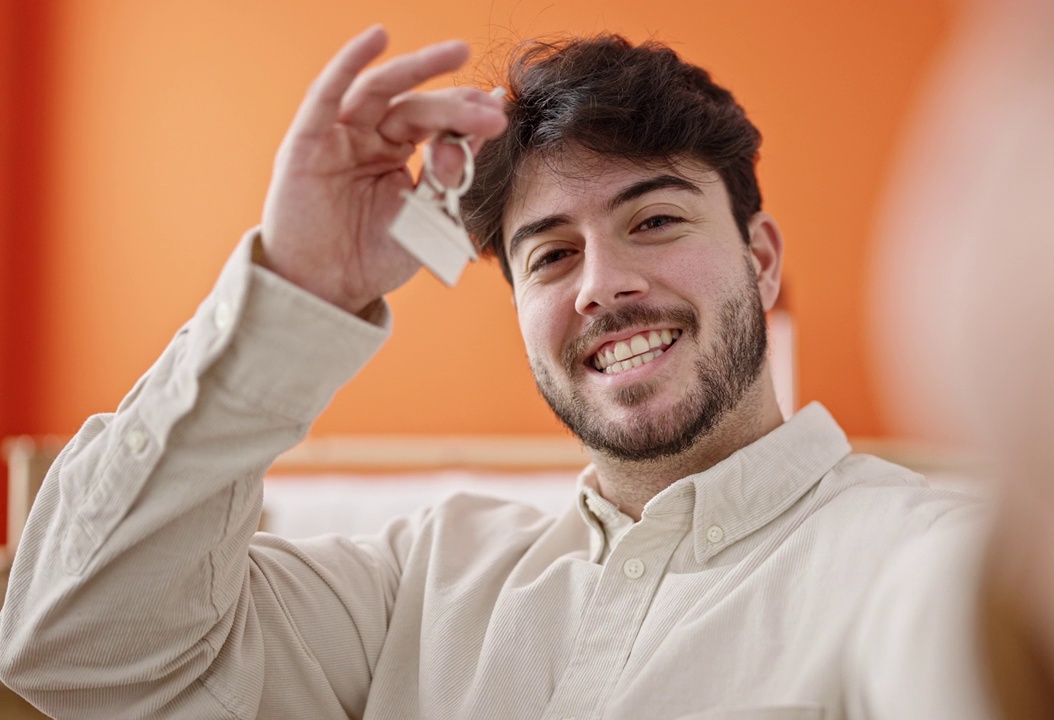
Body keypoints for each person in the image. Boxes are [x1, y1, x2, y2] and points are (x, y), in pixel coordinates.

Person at [0, 26, 986, 720]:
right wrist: (296, 286)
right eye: (551, 255)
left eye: (652, 220)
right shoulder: (413, 586)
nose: (602, 285)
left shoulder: (932, 566)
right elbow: (77, 645)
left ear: (760, 258)